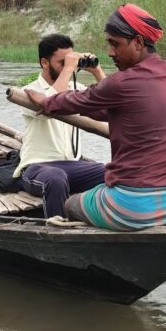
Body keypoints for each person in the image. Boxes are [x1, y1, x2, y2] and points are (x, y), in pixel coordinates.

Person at [25, 4, 166, 231]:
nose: (110, 52)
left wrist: (44, 101)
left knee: (71, 204)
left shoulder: (122, 83)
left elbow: (69, 101)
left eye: (115, 44)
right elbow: (102, 107)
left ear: (138, 42)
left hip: (133, 208)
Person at [15, 34, 107, 218]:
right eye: (62, 62)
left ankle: (105, 222)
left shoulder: (77, 89)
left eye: (70, 61)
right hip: (37, 168)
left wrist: (97, 71)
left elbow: (112, 102)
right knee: (56, 177)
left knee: (111, 172)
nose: (68, 67)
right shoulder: (30, 92)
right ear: (44, 62)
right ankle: (57, 231)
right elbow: (50, 102)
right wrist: (69, 68)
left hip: (73, 165)